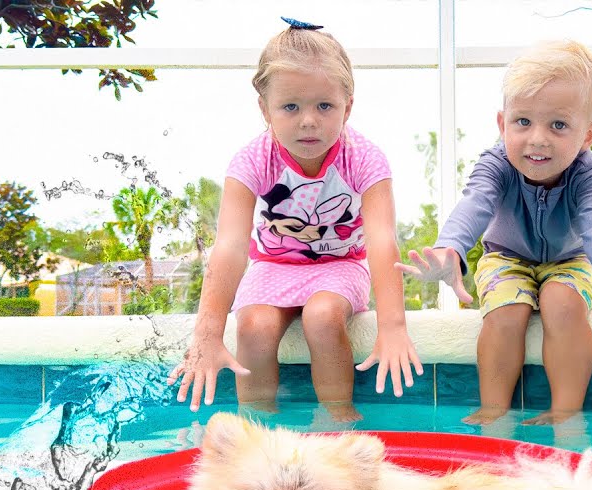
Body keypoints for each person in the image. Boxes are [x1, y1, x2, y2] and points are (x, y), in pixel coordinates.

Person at [398, 40, 592, 425]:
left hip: (571, 259)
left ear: (588, 134)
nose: (537, 138)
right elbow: (475, 203)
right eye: (522, 122)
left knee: (562, 303)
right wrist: (449, 250)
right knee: (506, 309)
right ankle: (494, 409)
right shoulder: (496, 164)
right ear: (501, 123)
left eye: (558, 125)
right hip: (505, 256)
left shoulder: (591, 173)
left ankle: (566, 412)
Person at [169, 18, 421, 422]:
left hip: (341, 265)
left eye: (325, 106)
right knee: (252, 325)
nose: (308, 120)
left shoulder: (365, 158)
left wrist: (393, 327)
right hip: (273, 265)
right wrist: (207, 334)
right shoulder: (251, 160)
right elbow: (231, 247)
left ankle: (338, 422)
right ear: (264, 108)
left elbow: (381, 240)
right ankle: (255, 427)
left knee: (322, 317)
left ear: (348, 106)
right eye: (290, 106)